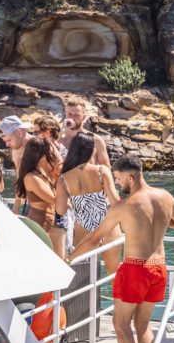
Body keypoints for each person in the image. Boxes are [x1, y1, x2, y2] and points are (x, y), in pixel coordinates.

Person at [70, 155, 174, 343]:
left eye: (119, 179)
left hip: (135, 268)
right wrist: (159, 224)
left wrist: (68, 260)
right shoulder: (165, 196)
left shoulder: (125, 206)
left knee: (120, 324)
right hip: (159, 268)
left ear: (131, 177)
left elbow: (94, 238)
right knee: (143, 325)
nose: (117, 183)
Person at [56, 133, 121, 271]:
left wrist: (76, 204)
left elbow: (60, 210)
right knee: (113, 273)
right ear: (91, 149)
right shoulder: (101, 170)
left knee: (85, 274)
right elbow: (115, 201)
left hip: (83, 227)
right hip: (107, 225)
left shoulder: (63, 178)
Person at [16, 137, 59, 236]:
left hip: (44, 222)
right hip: (38, 223)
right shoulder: (32, 177)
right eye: (49, 152)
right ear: (41, 155)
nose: (51, 154)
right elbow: (54, 199)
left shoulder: (40, 171)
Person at [59, 98, 110, 167]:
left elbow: (106, 168)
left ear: (84, 117)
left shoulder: (96, 140)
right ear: (65, 115)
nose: (72, 118)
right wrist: (62, 131)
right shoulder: (58, 138)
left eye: (77, 115)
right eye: (70, 114)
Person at [0, 115, 32, 213]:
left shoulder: (41, 146)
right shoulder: (16, 151)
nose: (7, 145)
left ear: (19, 132)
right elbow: (19, 178)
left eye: (9, 140)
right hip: (30, 204)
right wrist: (16, 207)